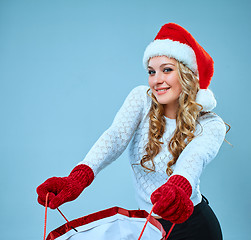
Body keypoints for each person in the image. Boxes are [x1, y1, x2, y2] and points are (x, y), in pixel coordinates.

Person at [36, 23, 230, 240]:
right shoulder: (141, 99)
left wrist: (178, 187)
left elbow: (194, 158)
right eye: (151, 71)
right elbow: (115, 137)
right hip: (151, 227)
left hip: (194, 227)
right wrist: (78, 177)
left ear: (187, 75)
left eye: (167, 69)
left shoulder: (211, 124)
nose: (157, 80)